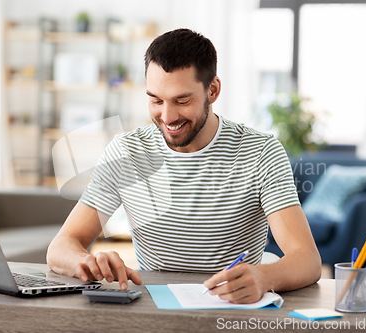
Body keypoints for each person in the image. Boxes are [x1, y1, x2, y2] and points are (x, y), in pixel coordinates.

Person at [47, 28, 321, 304]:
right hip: (155, 309)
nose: (167, 116)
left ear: (212, 90)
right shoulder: (127, 151)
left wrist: (264, 277)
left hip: (231, 309)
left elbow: (307, 259)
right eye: (155, 100)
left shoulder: (260, 152)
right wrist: (88, 261)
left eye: (182, 100)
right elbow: (61, 247)